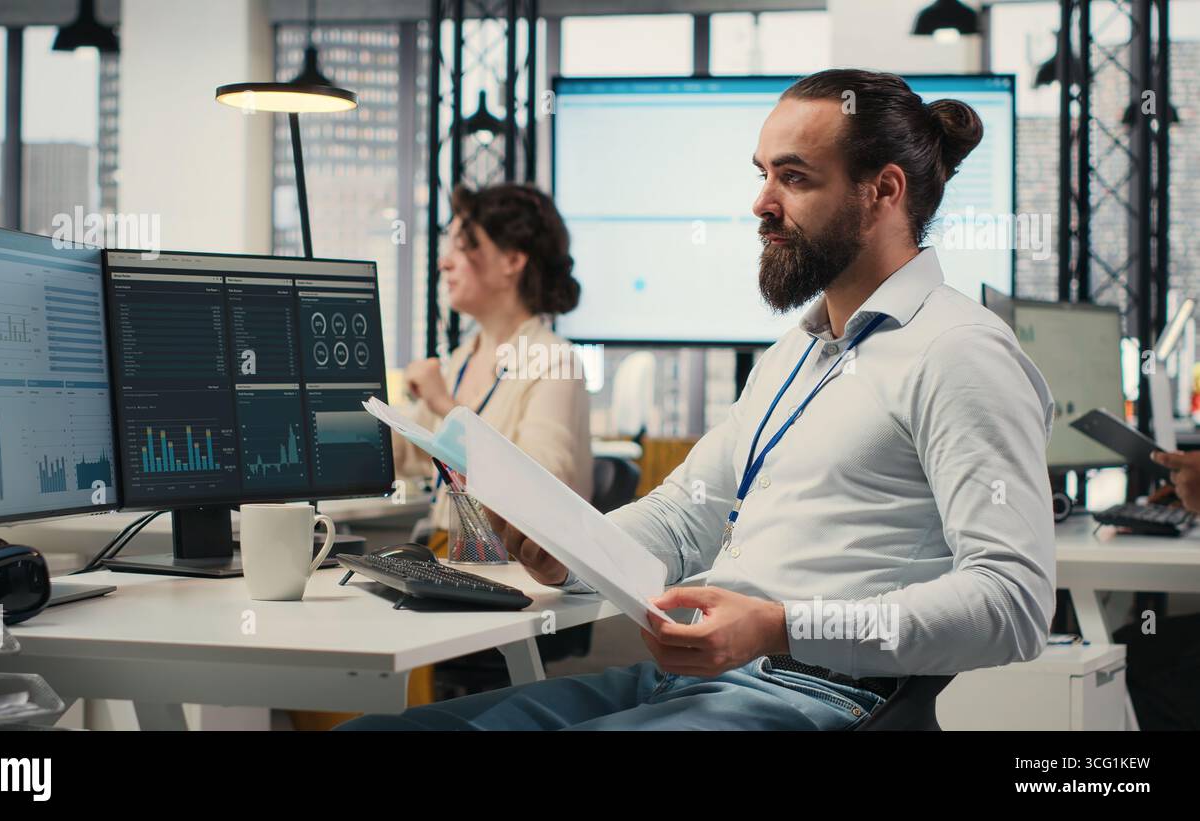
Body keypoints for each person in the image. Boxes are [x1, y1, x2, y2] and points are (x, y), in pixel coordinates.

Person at [342, 68, 1057, 731]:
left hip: (821, 695)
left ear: (884, 191)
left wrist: (779, 625)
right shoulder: (796, 353)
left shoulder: (959, 351)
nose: (761, 202)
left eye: (794, 177)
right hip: (695, 682)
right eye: (762, 174)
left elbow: (1015, 603)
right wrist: (574, 554)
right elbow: (688, 514)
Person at [394, 183, 593, 551]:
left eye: (463, 246)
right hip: (453, 553)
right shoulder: (465, 357)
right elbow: (409, 452)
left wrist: (444, 406)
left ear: (512, 261)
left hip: (516, 570)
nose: (445, 261)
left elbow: (541, 483)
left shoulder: (555, 361)